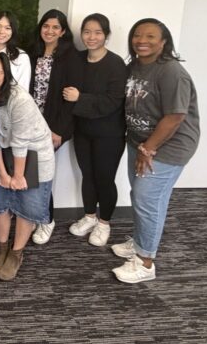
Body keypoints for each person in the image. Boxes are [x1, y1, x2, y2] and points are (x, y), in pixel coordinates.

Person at [111, 18, 200, 283]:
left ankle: (145, 262)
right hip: (139, 141)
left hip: (167, 146)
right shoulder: (135, 66)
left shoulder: (171, 72)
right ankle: (140, 242)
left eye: (150, 36)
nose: (142, 41)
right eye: (137, 35)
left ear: (163, 42)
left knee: (148, 199)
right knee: (140, 195)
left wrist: (148, 148)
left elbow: (175, 116)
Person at [0, 51, 55, 281]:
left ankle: (16, 253)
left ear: (6, 75)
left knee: (27, 206)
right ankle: (2, 249)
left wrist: (18, 176)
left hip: (34, 154)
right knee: (0, 203)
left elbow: (21, 141)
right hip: (6, 152)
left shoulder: (19, 98)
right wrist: (2, 173)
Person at [62, 14, 127, 246]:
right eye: (87, 31)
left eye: (98, 32)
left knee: (104, 178)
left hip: (109, 133)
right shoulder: (78, 59)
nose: (91, 37)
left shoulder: (116, 64)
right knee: (87, 175)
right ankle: (89, 217)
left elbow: (113, 101)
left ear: (106, 35)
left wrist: (80, 98)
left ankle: (104, 223)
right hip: (82, 130)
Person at [29, 9, 83, 245]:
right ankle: (35, 213)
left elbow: (71, 99)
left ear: (62, 32)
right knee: (31, 172)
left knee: (42, 174)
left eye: (55, 27)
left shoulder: (71, 58)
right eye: (46, 26)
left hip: (52, 128)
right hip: (30, 125)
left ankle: (47, 219)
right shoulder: (33, 54)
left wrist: (59, 130)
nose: (49, 31)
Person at [0, 11, 32, 91]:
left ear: (13, 31)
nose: (1, 31)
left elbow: (23, 91)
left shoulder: (21, 57)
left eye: (7, 28)